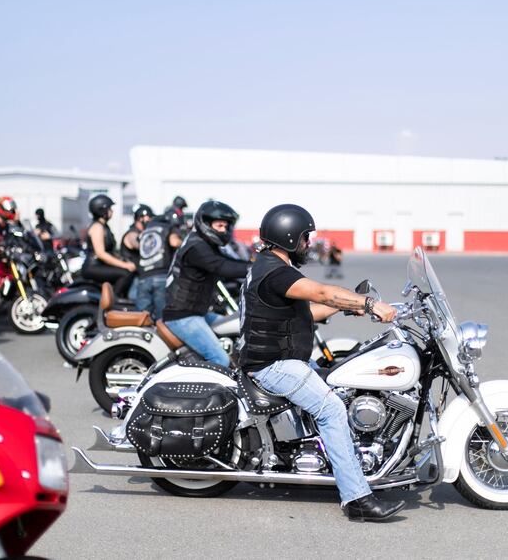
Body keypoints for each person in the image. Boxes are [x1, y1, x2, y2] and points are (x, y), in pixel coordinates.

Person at [239, 203, 405, 522]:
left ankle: (342, 461)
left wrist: (349, 308)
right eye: (304, 238)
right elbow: (322, 292)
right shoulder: (276, 272)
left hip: (279, 359)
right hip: (273, 364)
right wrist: (370, 303)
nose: (308, 244)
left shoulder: (268, 266)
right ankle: (356, 498)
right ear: (288, 237)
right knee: (331, 409)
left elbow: (308, 312)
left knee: (341, 386)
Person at [162, 200, 249, 367]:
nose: (224, 230)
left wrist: (254, 265)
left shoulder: (203, 243)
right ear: (206, 224)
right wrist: (256, 268)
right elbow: (221, 266)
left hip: (197, 313)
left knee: (239, 326)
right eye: (220, 225)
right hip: (183, 316)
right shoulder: (197, 247)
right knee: (220, 359)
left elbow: (228, 261)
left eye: (226, 226)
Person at [81, 194, 136, 295]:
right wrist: (125, 265)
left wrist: (123, 260)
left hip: (99, 265)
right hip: (93, 267)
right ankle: (114, 302)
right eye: (110, 208)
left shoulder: (104, 226)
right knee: (125, 274)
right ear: (102, 210)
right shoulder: (97, 227)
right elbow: (101, 254)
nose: (112, 211)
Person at [135, 214, 182, 320]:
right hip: (161, 275)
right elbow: (174, 242)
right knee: (163, 318)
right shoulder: (168, 227)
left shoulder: (145, 231)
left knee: (141, 319)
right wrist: (185, 243)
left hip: (143, 277)